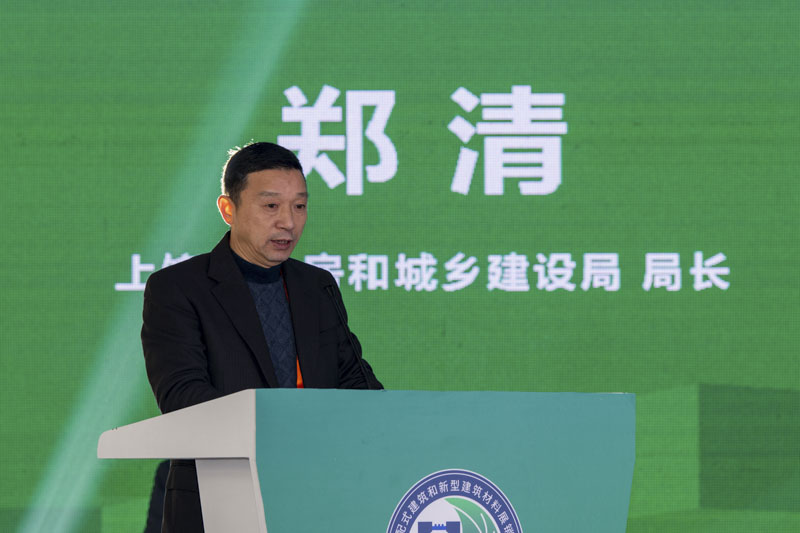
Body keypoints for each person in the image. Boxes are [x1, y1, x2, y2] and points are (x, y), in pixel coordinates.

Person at [141, 142, 382, 532]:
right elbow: (182, 397)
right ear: (228, 209)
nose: (288, 222)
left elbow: (356, 383)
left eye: (299, 206)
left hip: (315, 497)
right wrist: (284, 431)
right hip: (219, 500)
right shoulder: (179, 288)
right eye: (271, 206)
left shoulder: (316, 286)